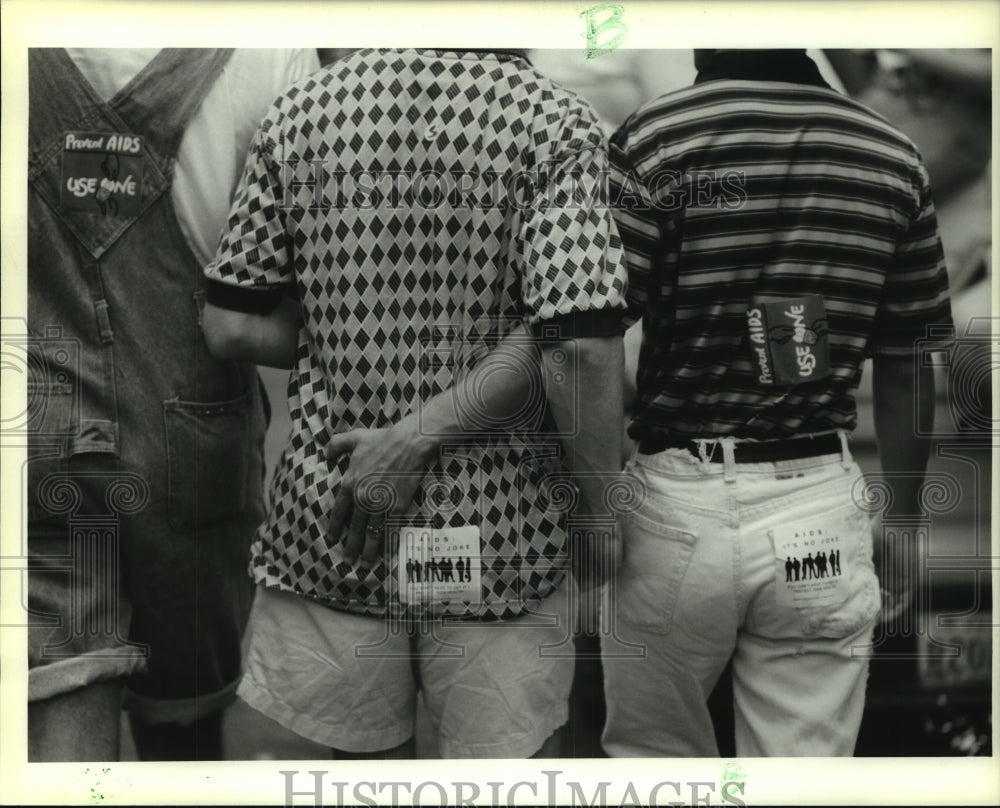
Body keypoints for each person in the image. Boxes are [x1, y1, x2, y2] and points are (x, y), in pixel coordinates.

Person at [201, 48, 627, 759]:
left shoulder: (300, 114)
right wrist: (599, 513)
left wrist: (341, 334)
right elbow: (577, 341)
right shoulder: (554, 122)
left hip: (339, 524)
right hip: (505, 535)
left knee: (364, 779)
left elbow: (232, 322)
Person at [602, 48, 953, 757]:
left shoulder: (657, 136)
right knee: (805, 773)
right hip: (818, 512)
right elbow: (911, 358)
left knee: (654, 762)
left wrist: (597, 493)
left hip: (675, 509)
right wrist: (907, 522)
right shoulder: (891, 154)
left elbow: (592, 332)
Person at [26, 47, 319, 762]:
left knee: (62, 681)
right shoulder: (267, 52)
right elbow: (302, 286)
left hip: (34, 427)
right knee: (182, 726)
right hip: (192, 442)